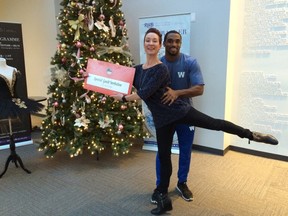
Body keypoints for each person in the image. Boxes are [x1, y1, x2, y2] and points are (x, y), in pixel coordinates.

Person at [111, 28, 278, 215]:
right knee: (164, 157)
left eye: (154, 41)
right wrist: (88, 78)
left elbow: (144, 93)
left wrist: (124, 99)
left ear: (159, 46)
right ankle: (163, 196)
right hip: (162, 119)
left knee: (214, 123)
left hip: (179, 111)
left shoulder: (161, 68)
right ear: (144, 43)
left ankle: (251, 134)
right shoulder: (138, 70)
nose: (150, 43)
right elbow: (115, 77)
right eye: (147, 40)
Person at [151, 30, 204, 203]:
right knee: (163, 153)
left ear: (180, 43)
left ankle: (182, 183)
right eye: (170, 41)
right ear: (164, 44)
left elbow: (199, 88)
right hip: (165, 117)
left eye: (177, 41)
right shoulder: (157, 64)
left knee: (185, 151)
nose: (174, 44)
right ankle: (161, 187)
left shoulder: (190, 62)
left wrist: (177, 93)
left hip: (185, 114)